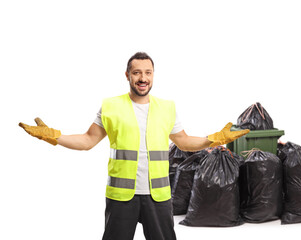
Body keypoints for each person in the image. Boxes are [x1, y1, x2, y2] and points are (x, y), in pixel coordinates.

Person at [19, 52, 249, 240]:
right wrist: (52, 136)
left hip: (158, 196)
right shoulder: (110, 106)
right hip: (121, 197)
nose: (143, 78)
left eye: (148, 73)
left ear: (153, 76)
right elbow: (88, 140)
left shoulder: (167, 108)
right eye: (137, 72)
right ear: (127, 75)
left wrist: (214, 138)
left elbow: (184, 142)